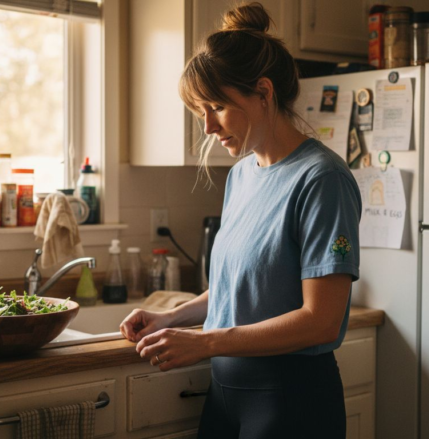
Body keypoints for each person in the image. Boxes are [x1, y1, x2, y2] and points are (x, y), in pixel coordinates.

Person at [119, 3, 361, 437]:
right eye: (200, 112)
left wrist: (205, 341)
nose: (208, 126)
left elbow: (321, 319)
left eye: (216, 107)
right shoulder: (242, 175)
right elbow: (239, 287)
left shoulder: (321, 178)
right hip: (226, 395)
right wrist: (172, 318)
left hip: (291, 400)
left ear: (263, 93)